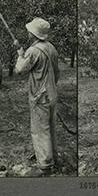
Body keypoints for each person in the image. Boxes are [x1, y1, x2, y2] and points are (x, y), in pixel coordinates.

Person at [14, 17, 60, 177]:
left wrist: (20, 54)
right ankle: (52, 158)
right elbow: (57, 72)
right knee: (50, 127)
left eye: (29, 31)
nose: (27, 33)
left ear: (34, 34)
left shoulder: (33, 51)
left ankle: (45, 165)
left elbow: (20, 69)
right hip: (52, 93)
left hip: (40, 95)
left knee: (40, 129)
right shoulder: (51, 48)